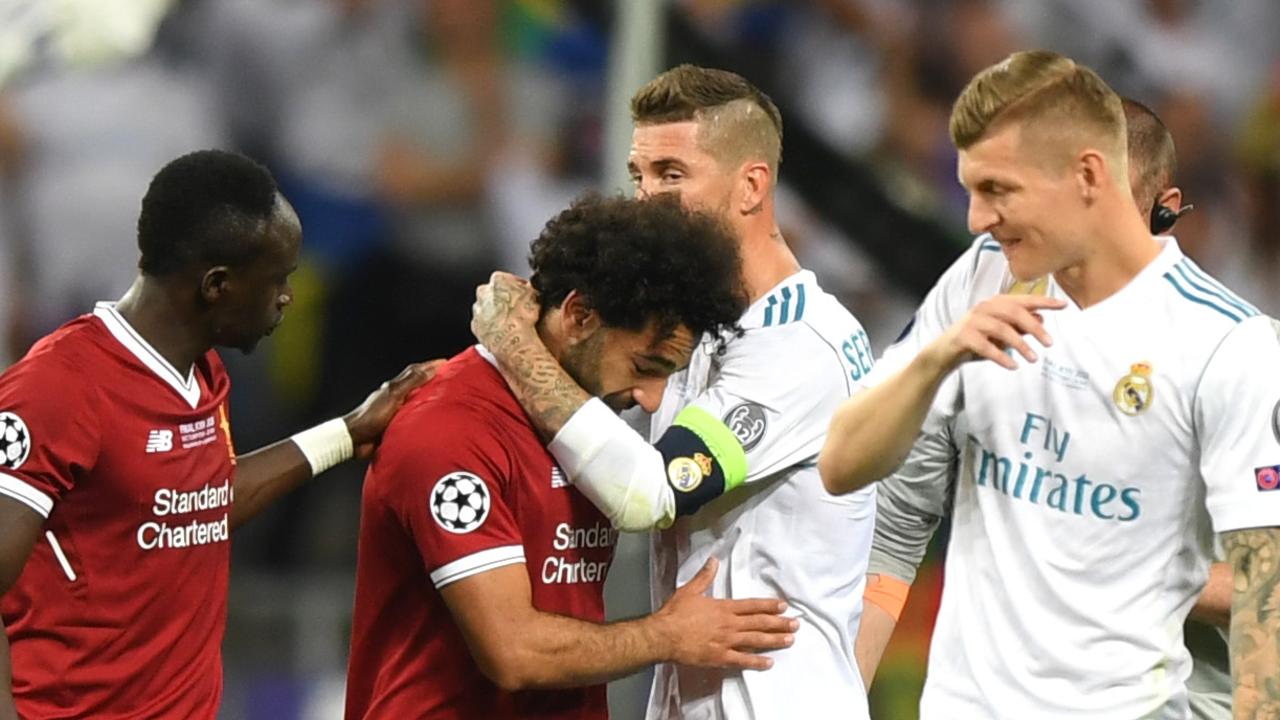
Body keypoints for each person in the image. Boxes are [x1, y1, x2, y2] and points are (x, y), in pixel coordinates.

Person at [819, 50, 1280, 718]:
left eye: (1000, 191)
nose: (977, 218)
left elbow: (1265, 591)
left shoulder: (1229, 345)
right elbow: (861, 486)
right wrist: (936, 358)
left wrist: (1149, 565)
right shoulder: (982, 278)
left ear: (1089, 176)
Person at [471, 65, 877, 719]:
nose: (646, 200)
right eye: (639, 177)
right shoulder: (703, 328)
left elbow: (649, 494)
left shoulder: (799, 345)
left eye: (671, 175)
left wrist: (513, 346)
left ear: (751, 186)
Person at [0, 149, 434, 720]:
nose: (287, 297)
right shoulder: (60, 386)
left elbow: (201, 501)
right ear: (217, 286)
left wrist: (350, 432)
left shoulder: (202, 373)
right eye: (279, 278)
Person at [344, 193, 799, 719]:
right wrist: (665, 634)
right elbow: (514, 652)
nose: (652, 398)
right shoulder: (449, 429)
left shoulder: (591, 431)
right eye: (644, 364)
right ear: (579, 314)